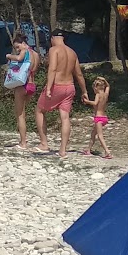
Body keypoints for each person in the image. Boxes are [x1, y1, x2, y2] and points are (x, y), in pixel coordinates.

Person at [36, 30, 88, 159]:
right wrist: (84, 91)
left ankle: (44, 143)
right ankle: (63, 150)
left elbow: (52, 68)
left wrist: (48, 88)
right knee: (65, 117)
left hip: (57, 86)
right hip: (69, 87)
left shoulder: (54, 50)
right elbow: (79, 74)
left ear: (53, 38)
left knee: (39, 110)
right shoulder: (72, 52)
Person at [6, 32, 42, 150]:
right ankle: (35, 140)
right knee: (24, 112)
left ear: (23, 43)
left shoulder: (24, 51)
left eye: (18, 47)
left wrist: (9, 56)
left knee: (20, 114)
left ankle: (23, 142)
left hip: (22, 84)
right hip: (32, 85)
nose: (17, 49)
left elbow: (19, 58)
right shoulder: (35, 54)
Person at [82, 75, 112, 159]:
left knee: (100, 136)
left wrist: (87, 101)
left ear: (96, 88)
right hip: (104, 117)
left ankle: (107, 152)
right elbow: (108, 86)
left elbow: (95, 103)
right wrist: (104, 79)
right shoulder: (105, 94)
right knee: (93, 134)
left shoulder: (98, 95)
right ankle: (88, 149)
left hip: (98, 118)